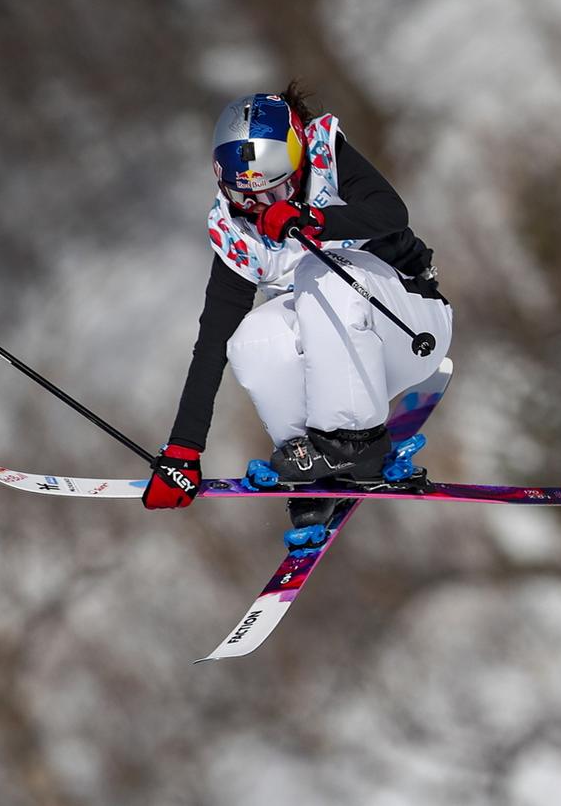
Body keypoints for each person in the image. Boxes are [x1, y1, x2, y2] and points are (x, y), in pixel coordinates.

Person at [141, 82, 452, 546]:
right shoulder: (238, 232)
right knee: (249, 339)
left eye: (277, 189)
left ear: (299, 162)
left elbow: (391, 212)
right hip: (342, 368)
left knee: (318, 274)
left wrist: (312, 220)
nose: (263, 208)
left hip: (410, 326)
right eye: (248, 198)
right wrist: (184, 449)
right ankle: (316, 461)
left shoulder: (327, 156)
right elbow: (210, 345)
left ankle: (354, 447)